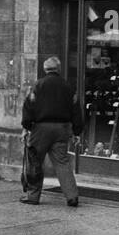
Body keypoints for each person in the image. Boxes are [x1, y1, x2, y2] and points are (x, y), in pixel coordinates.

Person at [21, 56, 84, 207]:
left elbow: (28, 106)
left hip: (41, 129)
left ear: (45, 69)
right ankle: (72, 196)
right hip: (62, 129)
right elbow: (76, 110)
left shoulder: (37, 86)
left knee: (35, 161)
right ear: (59, 69)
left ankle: (33, 196)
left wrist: (26, 127)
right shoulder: (68, 87)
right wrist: (77, 132)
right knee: (62, 163)